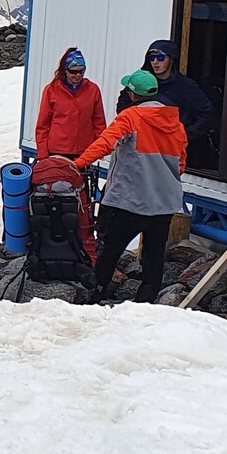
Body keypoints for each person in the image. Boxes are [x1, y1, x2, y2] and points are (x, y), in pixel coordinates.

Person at [73, 69, 187, 302]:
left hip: (128, 201)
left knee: (109, 250)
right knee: (154, 256)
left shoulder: (130, 117)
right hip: (163, 204)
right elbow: (181, 164)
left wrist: (76, 164)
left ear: (133, 95)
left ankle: (98, 291)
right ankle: (146, 299)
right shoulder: (176, 124)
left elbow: (105, 143)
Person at [34, 47, 106, 160]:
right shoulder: (51, 90)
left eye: (82, 71)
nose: (78, 75)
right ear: (65, 71)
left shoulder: (93, 89)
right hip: (56, 151)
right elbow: (42, 125)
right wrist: (43, 154)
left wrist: (99, 149)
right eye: (73, 71)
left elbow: (99, 122)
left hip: (84, 151)